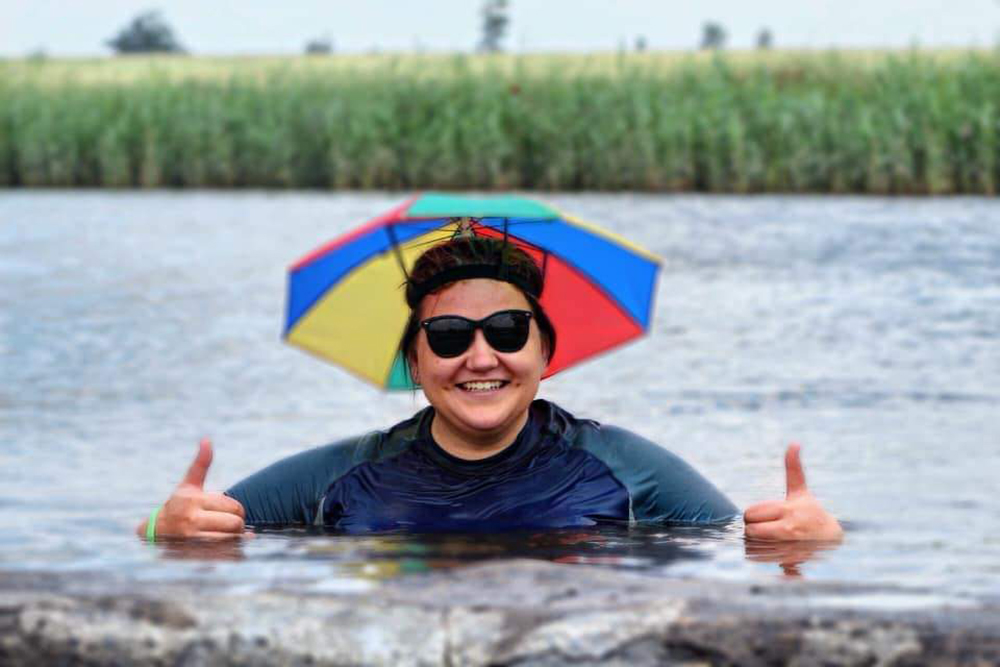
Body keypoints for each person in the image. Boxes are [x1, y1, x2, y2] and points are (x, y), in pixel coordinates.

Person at [137, 236, 843, 542]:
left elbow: (737, 539)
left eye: (507, 329)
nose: (481, 356)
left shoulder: (627, 468)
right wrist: (162, 528)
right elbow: (195, 524)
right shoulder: (341, 476)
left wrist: (813, 539)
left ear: (544, 351)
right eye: (449, 336)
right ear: (415, 362)